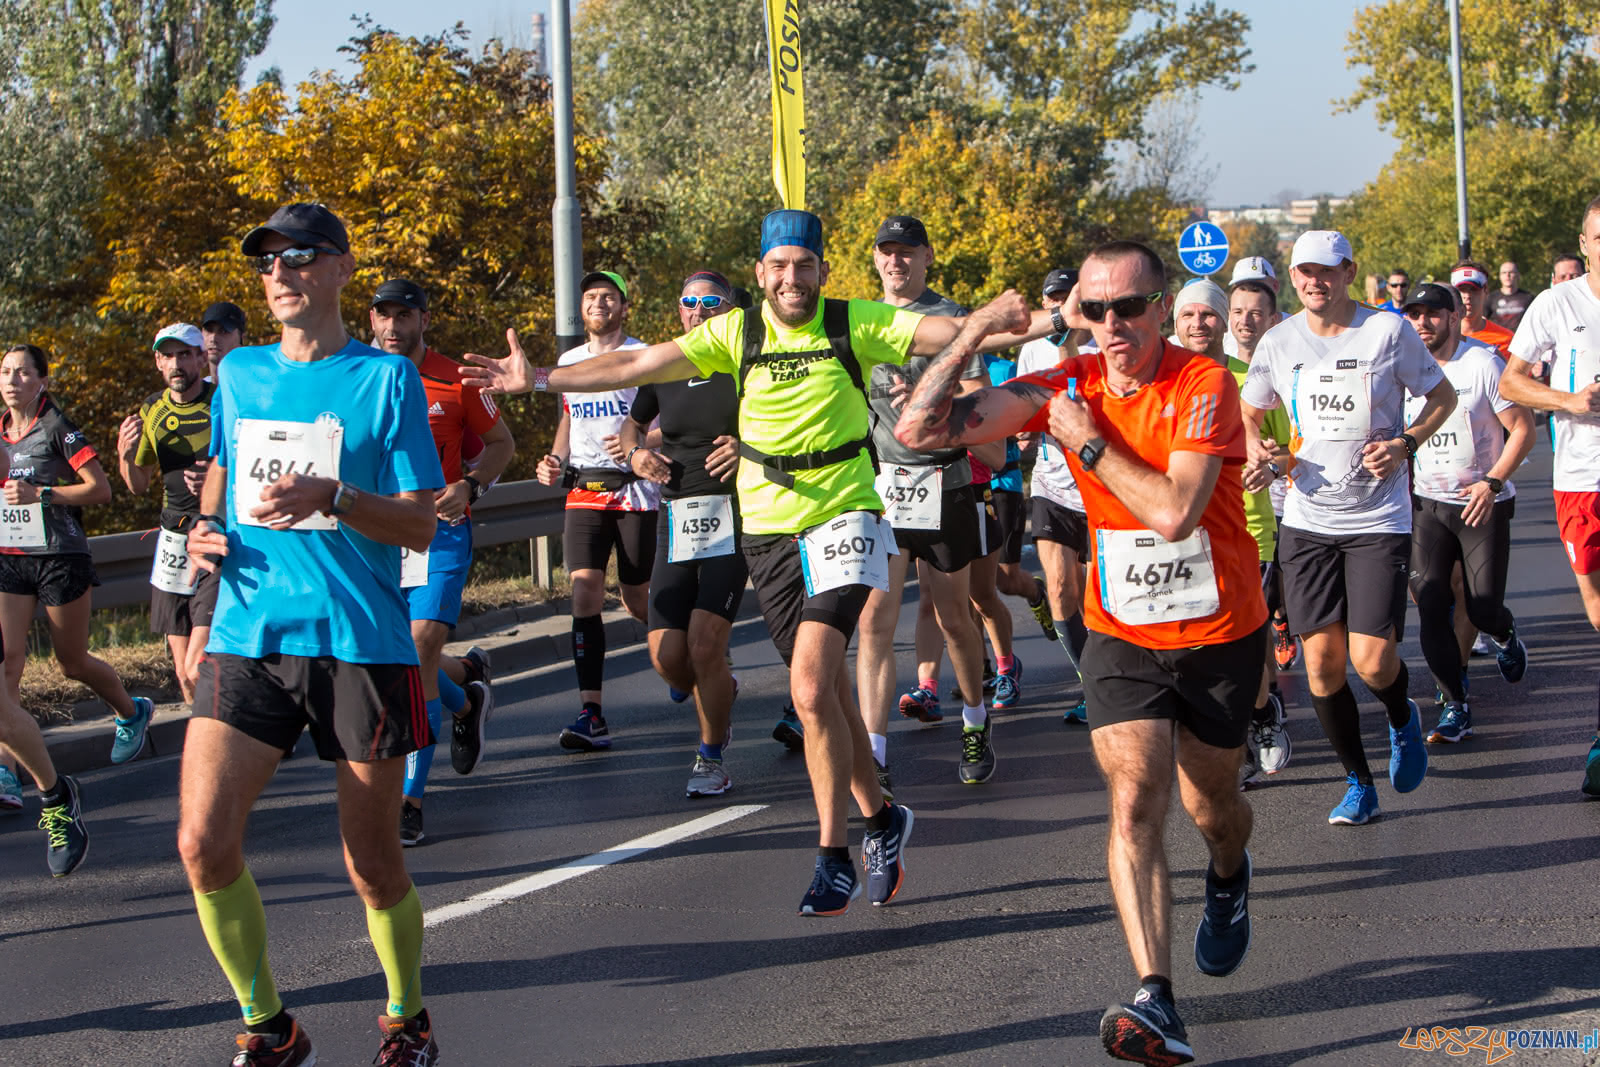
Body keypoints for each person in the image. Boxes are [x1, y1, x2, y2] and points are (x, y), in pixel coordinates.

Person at [462, 208, 1055, 915]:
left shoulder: (852, 321)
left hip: (845, 513)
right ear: (761, 274)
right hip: (768, 530)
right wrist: (540, 379)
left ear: (822, 270)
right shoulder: (734, 333)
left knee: (807, 685)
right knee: (827, 694)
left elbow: (948, 333)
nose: (791, 278)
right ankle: (881, 817)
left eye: (803, 265)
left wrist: (1022, 318)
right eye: (779, 266)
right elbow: (633, 364)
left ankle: (832, 855)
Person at [894, 239, 1268, 1067]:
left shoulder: (1203, 384)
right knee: (1134, 799)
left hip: (1217, 631)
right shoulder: (1067, 382)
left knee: (1212, 806)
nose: (1112, 324)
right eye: (1094, 310)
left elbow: (1174, 513)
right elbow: (919, 429)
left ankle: (1229, 871)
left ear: (1159, 309)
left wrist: (1088, 443)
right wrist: (976, 331)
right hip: (1122, 630)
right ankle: (1156, 996)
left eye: (1128, 307)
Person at [180, 202, 444, 1065]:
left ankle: (407, 1017)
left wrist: (334, 496)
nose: (280, 274)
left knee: (372, 864)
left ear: (339, 268)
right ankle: (270, 1025)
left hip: (360, 641)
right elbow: (222, 473)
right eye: (268, 262)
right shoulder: (239, 372)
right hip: (249, 629)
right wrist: (204, 534)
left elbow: (419, 523)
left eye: (299, 256)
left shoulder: (385, 379)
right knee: (201, 842)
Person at [1238, 230, 1458, 826]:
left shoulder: (1387, 331)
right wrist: (1259, 447)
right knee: (1321, 665)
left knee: (1372, 661)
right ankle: (1359, 783)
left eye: (1327, 271)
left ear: (1348, 273)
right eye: (1305, 271)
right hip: (1307, 518)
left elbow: (1442, 397)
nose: (1316, 281)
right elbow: (1250, 409)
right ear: (1293, 277)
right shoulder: (1279, 341)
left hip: (1378, 519)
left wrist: (1406, 443)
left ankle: (1401, 715)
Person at [860, 213, 1005, 788]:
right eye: (887, 251)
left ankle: (975, 719)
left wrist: (932, 402)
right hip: (882, 491)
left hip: (945, 486)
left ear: (927, 257)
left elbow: (987, 427)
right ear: (875, 259)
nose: (896, 261)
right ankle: (874, 757)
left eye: (907, 251)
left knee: (953, 620)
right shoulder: (861, 322)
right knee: (875, 622)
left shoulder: (951, 322)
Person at [370, 279, 513, 847]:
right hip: (376, 535)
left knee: (419, 647)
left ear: (423, 320)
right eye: (384, 315)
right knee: (402, 659)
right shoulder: (355, 375)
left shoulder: (457, 379)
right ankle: (464, 699)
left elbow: (501, 444)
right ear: (371, 320)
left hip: (439, 531)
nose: (393, 327)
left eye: (404, 315)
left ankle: (409, 800)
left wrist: (470, 486)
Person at [618, 270, 746, 798]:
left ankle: (710, 756)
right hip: (676, 516)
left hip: (733, 513)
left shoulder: (746, 361)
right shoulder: (666, 361)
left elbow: (787, 420)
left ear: (730, 309)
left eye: (710, 302)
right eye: (689, 302)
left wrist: (746, 446)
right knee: (668, 657)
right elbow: (632, 422)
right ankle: (719, 689)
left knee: (704, 642)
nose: (698, 310)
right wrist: (635, 453)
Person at [0, 343, 156, 774]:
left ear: (42, 381)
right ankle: (6, 772)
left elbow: (100, 490)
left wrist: (41, 493)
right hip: (11, 558)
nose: (12, 381)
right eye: (6, 372)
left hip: (60, 557)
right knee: (7, 665)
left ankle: (132, 711)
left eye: (23, 373)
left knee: (72, 663)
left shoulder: (56, 427)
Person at [1398, 282, 1532, 743]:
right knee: (1431, 601)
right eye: (1414, 314)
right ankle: (1455, 703)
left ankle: (1504, 633)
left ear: (1454, 317)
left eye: (1433, 313)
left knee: (1483, 607)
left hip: (1483, 503)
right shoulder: (1404, 368)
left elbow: (1523, 430)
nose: (1422, 322)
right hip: (1428, 504)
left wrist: (1491, 482)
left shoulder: (1483, 363)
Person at [1499, 195, 1600, 796]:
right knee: (1597, 607)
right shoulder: (1557, 304)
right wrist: (1570, 401)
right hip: (1582, 479)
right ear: (1585, 245)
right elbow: (1512, 381)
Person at [1172, 279, 1291, 787]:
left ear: (1223, 322)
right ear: (1175, 323)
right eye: (1188, 315)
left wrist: (1273, 464)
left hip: (1248, 532)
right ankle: (1239, 734)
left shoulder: (1254, 379)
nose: (1199, 324)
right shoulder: (1162, 381)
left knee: (1241, 648)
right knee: (1202, 651)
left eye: (1209, 314)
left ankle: (1258, 717)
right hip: (1181, 539)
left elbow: (1290, 448)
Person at [534, 270, 658, 751]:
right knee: (584, 590)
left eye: (608, 297)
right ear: (581, 308)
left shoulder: (644, 356)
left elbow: (668, 421)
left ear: (624, 307)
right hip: (585, 489)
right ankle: (592, 712)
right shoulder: (569, 362)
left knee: (637, 599)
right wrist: (554, 459)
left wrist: (639, 443)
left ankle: (684, 658)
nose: (598, 304)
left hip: (634, 490)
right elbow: (569, 416)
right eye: (590, 297)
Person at [117, 323, 215, 705]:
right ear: (158, 362)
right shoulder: (151, 409)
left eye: (185, 354)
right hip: (172, 540)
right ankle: (202, 737)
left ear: (201, 358)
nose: (177, 364)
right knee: (182, 673)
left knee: (199, 664)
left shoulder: (221, 402)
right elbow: (138, 483)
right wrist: (125, 456)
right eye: (168, 356)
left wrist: (216, 478)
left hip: (215, 535)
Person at [1015, 268, 1093, 722]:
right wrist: (1024, 428)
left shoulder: (1102, 345)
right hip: (1051, 485)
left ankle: (1109, 679)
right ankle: (1090, 683)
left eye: (1068, 298)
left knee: (1095, 597)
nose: (1060, 306)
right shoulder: (1031, 349)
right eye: (1053, 299)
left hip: (1100, 489)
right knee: (1062, 588)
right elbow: (1023, 406)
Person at [1228, 271, 1298, 674]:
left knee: (1273, 592)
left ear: (1273, 319)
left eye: (1255, 313)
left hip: (1282, 496)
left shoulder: (1284, 370)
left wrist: (1273, 465)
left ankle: (1281, 623)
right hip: (1231, 510)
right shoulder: (1220, 372)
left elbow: (1296, 450)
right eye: (1238, 312)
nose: (1246, 321)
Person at [1451, 260, 1515, 359]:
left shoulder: (1507, 339)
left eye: (1473, 289)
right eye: (1461, 289)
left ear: (1486, 290)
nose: (1467, 295)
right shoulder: (1440, 337)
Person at [201, 301, 247, 378]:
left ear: (242, 338)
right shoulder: (196, 385)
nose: (213, 338)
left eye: (223, 331)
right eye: (209, 330)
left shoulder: (256, 384)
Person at [1486, 261, 1533, 333]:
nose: (1507, 275)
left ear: (1518, 275)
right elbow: (1482, 321)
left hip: (1521, 338)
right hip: (1498, 338)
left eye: (1511, 272)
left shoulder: (1529, 297)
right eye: (1504, 273)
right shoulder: (1490, 298)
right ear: (1500, 276)